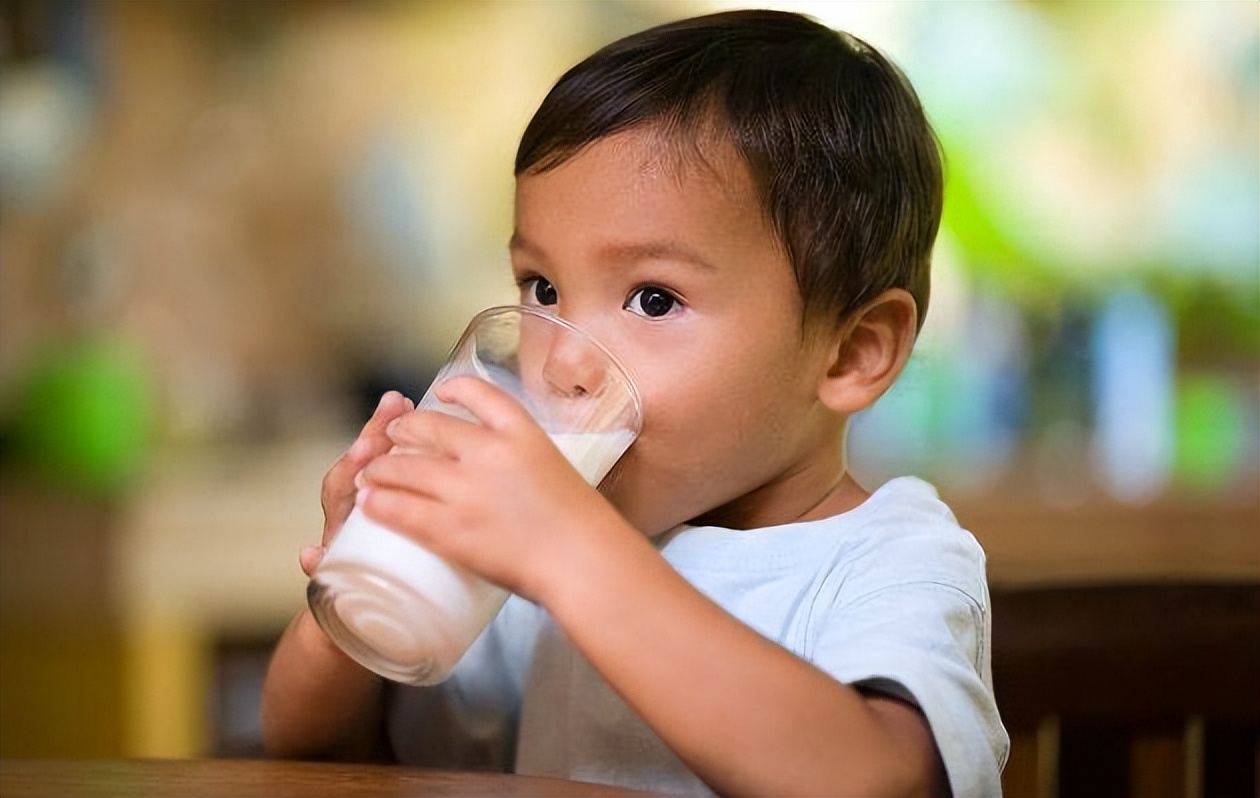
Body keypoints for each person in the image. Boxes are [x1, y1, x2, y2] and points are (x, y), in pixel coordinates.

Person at [262, 9, 1008, 797]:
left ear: (853, 352)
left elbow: (874, 781)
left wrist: (569, 553)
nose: (563, 360)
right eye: (542, 289)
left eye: (653, 300)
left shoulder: (890, 562)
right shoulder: (534, 557)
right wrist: (352, 599)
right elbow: (318, 749)